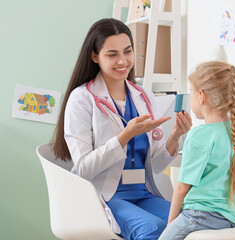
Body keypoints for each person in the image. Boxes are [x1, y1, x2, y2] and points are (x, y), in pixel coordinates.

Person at [51, 18, 192, 240]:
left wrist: (175, 135)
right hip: (105, 196)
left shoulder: (144, 96)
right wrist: (124, 137)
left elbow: (155, 165)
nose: (123, 61)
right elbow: (84, 168)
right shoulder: (82, 99)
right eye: (112, 54)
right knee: (153, 229)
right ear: (94, 56)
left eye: (127, 52)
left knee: (187, 224)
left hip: (144, 194)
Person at [159, 61, 235, 240]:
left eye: (191, 92)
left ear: (201, 96)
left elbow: (182, 187)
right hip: (234, 216)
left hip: (201, 215)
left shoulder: (199, 135)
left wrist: (170, 223)